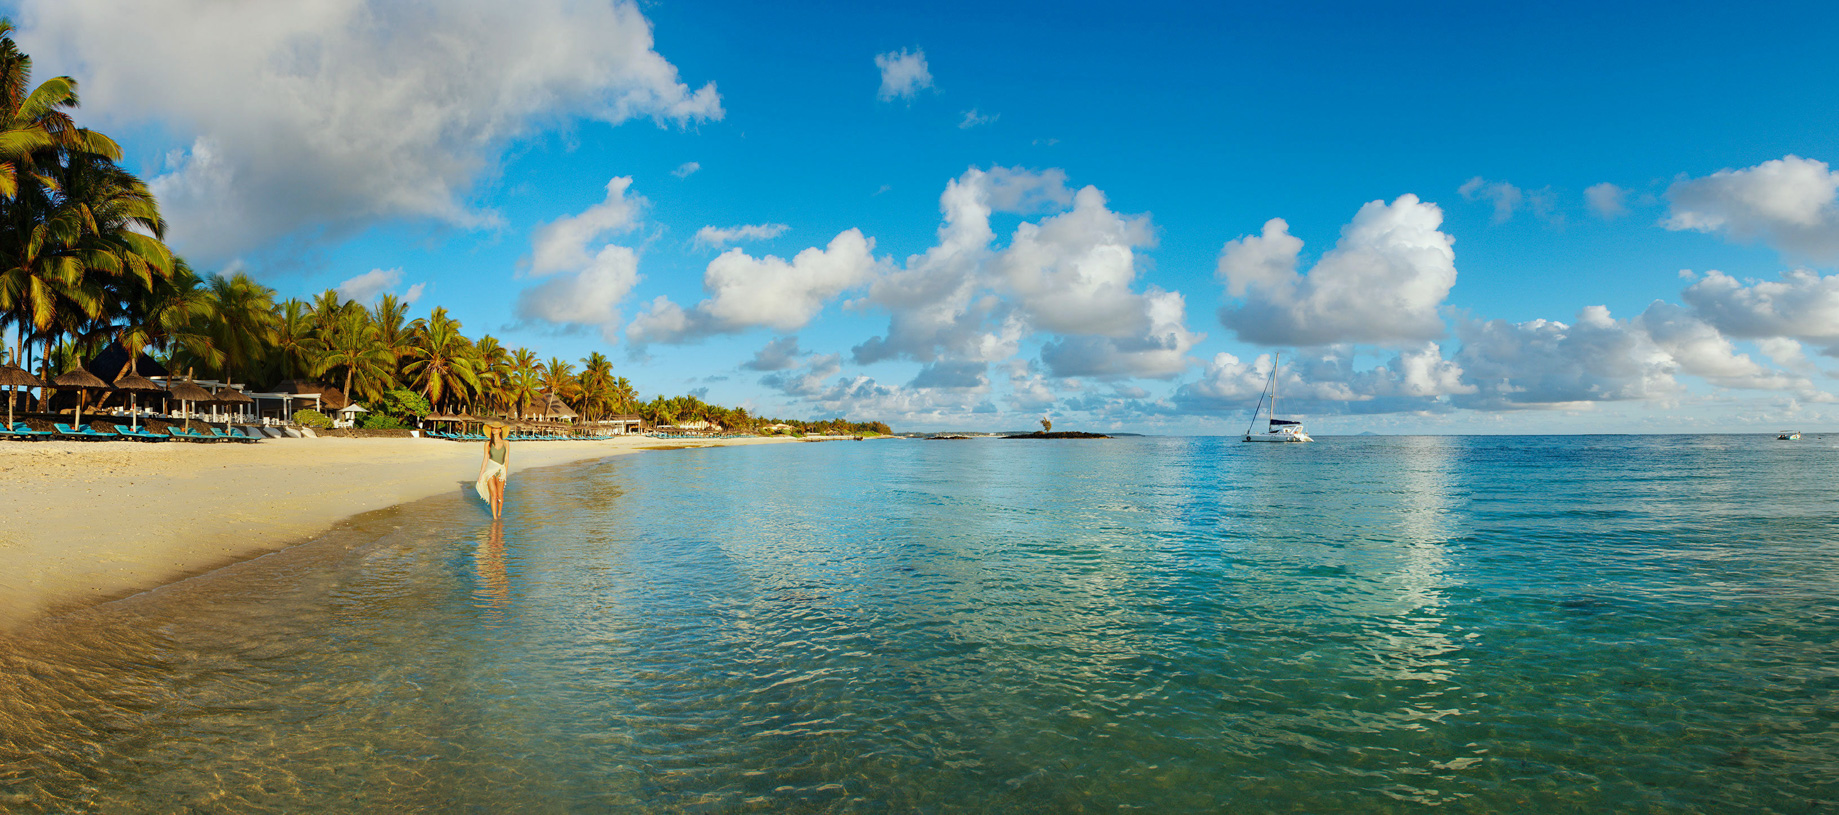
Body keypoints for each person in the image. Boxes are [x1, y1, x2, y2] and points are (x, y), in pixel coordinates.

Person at [476, 422, 509, 519]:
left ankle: (499, 515)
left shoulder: (506, 443)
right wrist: (481, 474)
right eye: (493, 428)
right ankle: (494, 518)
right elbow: (485, 459)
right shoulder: (487, 444)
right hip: (490, 470)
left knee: (500, 496)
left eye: (496, 428)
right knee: (493, 494)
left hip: (501, 470)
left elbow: (506, 460)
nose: (494, 429)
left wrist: (505, 473)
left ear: (500, 430)